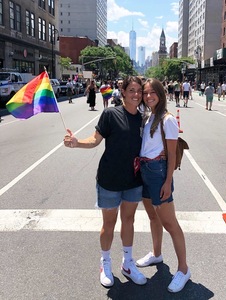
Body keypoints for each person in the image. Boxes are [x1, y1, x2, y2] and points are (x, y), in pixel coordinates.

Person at [63, 76, 147, 287]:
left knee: (129, 221)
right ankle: (105, 262)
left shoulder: (143, 119)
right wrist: (77, 142)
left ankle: (128, 262)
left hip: (133, 180)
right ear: (124, 91)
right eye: (132, 90)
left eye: (139, 91)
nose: (136, 94)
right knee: (108, 224)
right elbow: (95, 140)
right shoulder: (110, 114)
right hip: (109, 179)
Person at [136, 78, 191, 293]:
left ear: (161, 94)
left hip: (159, 173)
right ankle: (156, 253)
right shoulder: (149, 116)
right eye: (145, 93)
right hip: (146, 171)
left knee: (170, 223)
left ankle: (184, 269)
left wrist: (168, 181)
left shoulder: (167, 120)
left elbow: (170, 155)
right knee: (153, 217)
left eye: (153, 93)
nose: (148, 96)